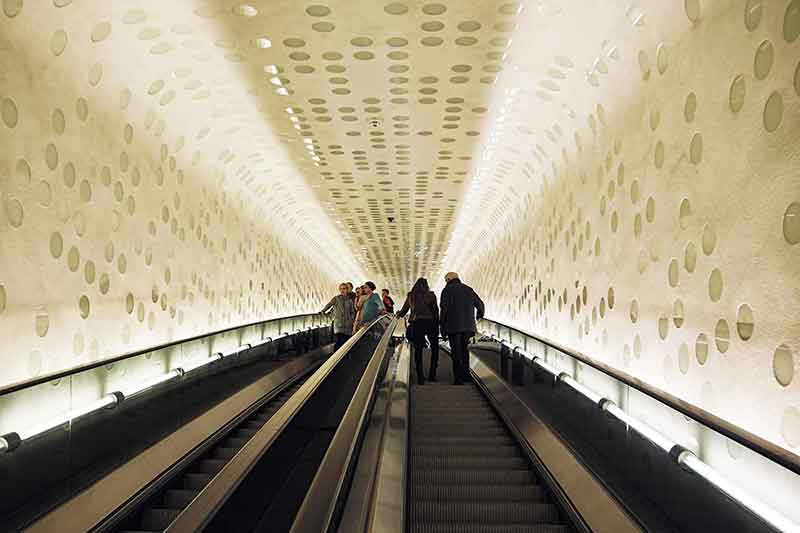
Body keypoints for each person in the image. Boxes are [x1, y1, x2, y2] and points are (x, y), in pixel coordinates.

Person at [440, 272, 485, 385]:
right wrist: (479, 315)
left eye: (446, 280)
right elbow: (480, 304)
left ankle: (458, 378)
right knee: (464, 350)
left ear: (448, 280)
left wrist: (442, 326)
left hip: (453, 327)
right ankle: (466, 376)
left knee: (456, 352)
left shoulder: (447, 290)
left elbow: (444, 309)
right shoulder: (468, 289)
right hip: (468, 327)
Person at [397, 278, 439, 384]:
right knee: (434, 348)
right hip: (430, 323)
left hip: (417, 323)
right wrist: (438, 324)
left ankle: (420, 377)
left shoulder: (411, 295)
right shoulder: (431, 295)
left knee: (418, 349)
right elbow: (435, 310)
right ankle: (432, 374)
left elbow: (404, 310)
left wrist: (398, 314)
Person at [321, 283, 356, 350]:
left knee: (346, 341)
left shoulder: (350, 300)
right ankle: (335, 355)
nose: (342, 290)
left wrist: (351, 320)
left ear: (347, 289)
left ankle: (341, 356)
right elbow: (329, 305)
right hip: (339, 324)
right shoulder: (336, 298)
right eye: (341, 289)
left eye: (344, 288)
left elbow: (352, 312)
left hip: (348, 325)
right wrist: (323, 311)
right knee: (340, 340)